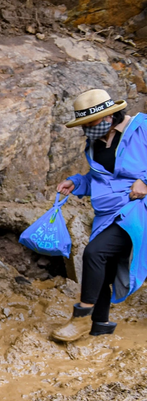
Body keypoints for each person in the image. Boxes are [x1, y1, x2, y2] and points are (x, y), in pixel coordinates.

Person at [51, 89, 147, 342]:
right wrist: (76, 183)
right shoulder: (95, 143)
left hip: (138, 210)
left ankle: (81, 317)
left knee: (95, 253)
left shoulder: (143, 128)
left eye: (89, 123)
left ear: (109, 116)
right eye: (83, 125)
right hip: (109, 213)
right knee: (106, 263)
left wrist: (144, 181)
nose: (86, 130)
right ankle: (100, 323)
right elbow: (102, 180)